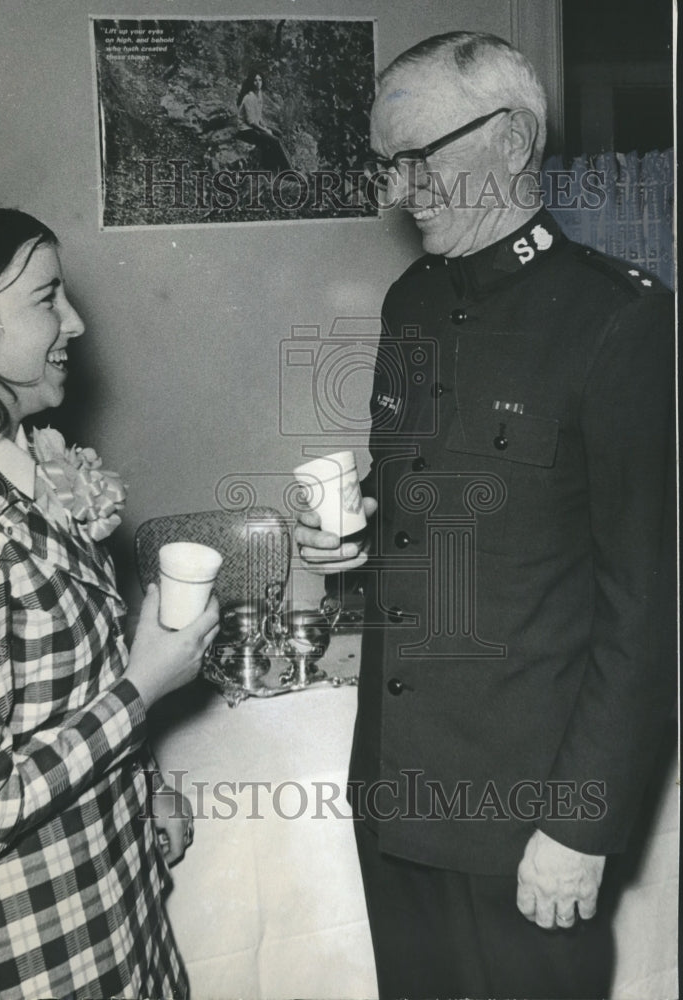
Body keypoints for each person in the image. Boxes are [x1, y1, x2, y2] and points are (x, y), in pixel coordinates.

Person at [295, 31, 675, 1000]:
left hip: (525, 820)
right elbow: (443, 534)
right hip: (396, 794)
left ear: (509, 141)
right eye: (387, 162)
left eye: (418, 156)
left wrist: (578, 824)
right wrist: (353, 547)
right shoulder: (411, 302)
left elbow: (648, 607)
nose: (398, 188)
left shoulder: (618, 321)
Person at [0, 207, 220, 1000]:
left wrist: (144, 781)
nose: (77, 322)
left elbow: (61, 688)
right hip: (8, 945)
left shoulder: (14, 456)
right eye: (46, 300)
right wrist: (142, 688)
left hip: (94, 897)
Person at [236, 69, 292, 173]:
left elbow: (258, 116)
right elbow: (250, 122)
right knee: (275, 140)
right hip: (245, 131)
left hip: (254, 126)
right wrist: (265, 131)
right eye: (255, 80)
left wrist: (266, 127)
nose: (258, 83)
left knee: (278, 133)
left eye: (260, 80)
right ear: (251, 82)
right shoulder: (249, 97)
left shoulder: (259, 94)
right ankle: (288, 172)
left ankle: (272, 165)